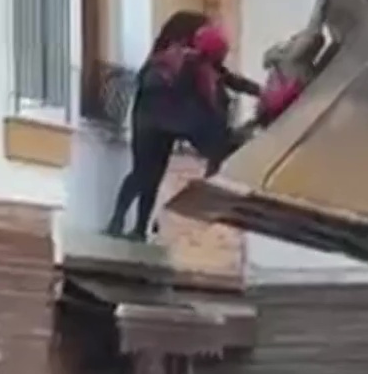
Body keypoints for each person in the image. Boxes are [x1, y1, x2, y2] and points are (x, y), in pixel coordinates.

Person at [104, 13, 261, 240]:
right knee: (143, 174)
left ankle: (138, 228)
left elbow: (230, 79)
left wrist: (258, 91)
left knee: (151, 176)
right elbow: (160, 89)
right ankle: (117, 221)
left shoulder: (201, 61)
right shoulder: (172, 61)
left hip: (167, 123)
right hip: (150, 123)